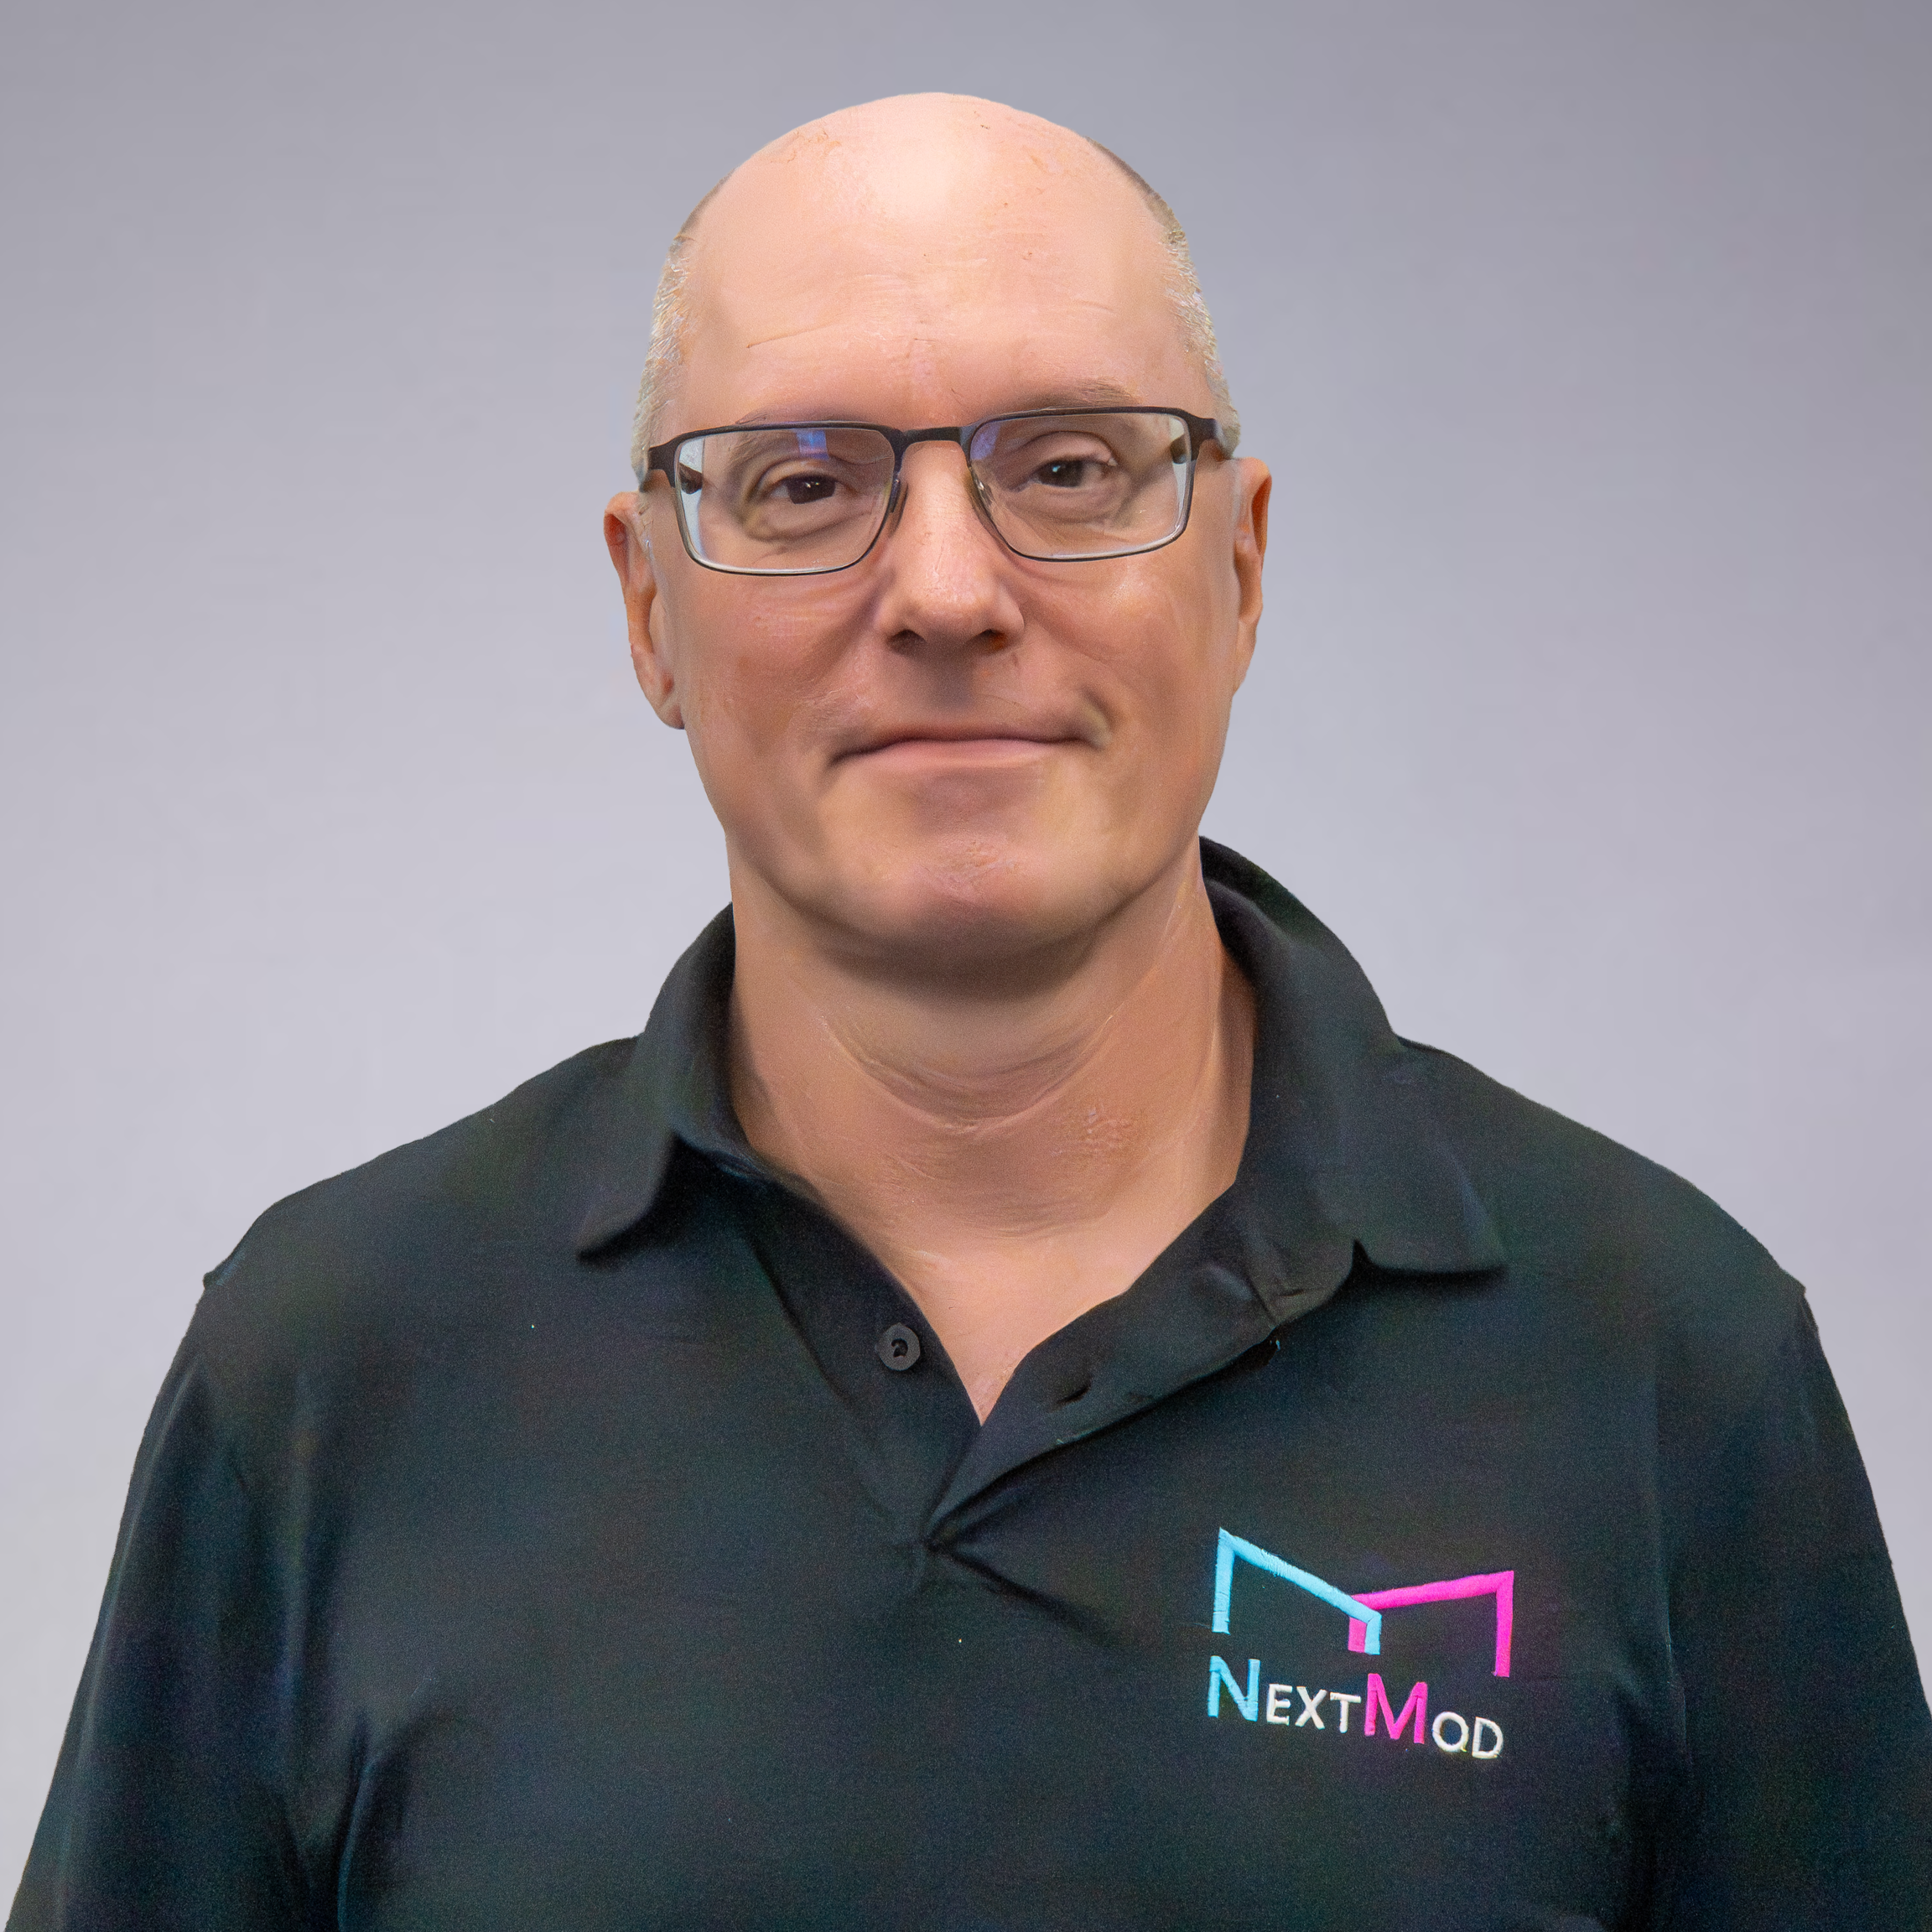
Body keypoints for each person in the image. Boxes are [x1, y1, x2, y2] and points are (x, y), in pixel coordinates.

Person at [11, 94, 1929, 1931]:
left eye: (1074, 468)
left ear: (1241, 566)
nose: (944, 589)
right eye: (805, 483)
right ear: (648, 607)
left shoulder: (1668, 1365)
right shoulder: (333, 1368)